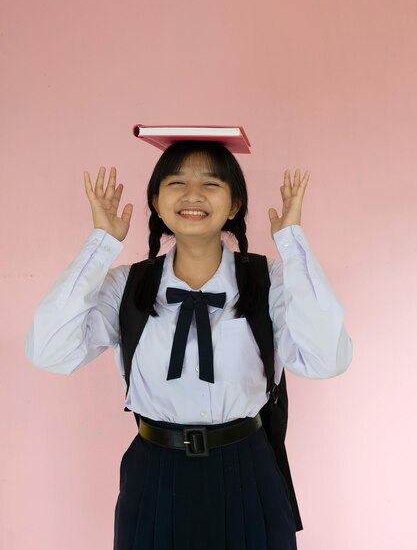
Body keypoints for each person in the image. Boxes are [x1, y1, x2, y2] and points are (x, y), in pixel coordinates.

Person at [25, 139, 353, 550]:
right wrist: (101, 243)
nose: (193, 195)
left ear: (234, 205)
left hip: (247, 469)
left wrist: (291, 241)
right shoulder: (129, 285)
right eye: (176, 182)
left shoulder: (269, 280)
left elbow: (326, 359)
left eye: (211, 184)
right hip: (154, 471)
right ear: (157, 203)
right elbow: (50, 350)